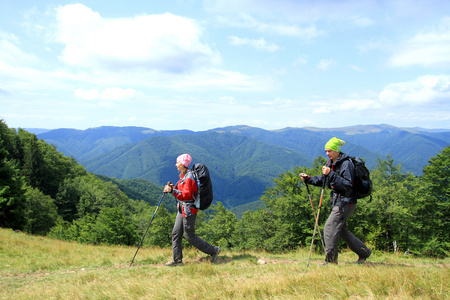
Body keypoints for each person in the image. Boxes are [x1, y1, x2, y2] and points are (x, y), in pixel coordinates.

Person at [300, 137, 371, 265]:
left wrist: (331, 174)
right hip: (338, 201)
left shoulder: (346, 164)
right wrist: (309, 179)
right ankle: (364, 253)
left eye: (330, 151)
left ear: (337, 150)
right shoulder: (330, 163)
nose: (327, 153)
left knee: (329, 228)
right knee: (342, 231)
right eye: (326, 151)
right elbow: (324, 180)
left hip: (346, 202)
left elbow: (348, 185)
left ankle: (331, 262)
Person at [163, 154, 220, 266]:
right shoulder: (184, 175)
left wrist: (172, 191)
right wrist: (173, 188)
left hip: (189, 210)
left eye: (177, 162)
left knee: (189, 236)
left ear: (183, 164)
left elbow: (187, 195)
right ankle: (177, 260)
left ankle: (213, 250)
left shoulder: (189, 177)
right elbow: (183, 190)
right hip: (182, 208)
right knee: (175, 233)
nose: (176, 164)